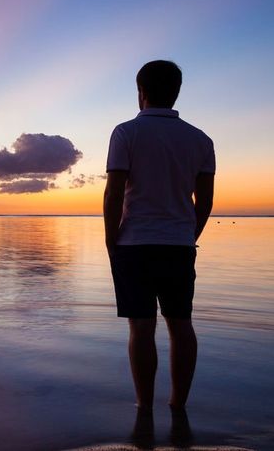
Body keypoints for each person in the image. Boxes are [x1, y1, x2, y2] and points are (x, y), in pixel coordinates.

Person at [103, 60, 215, 412]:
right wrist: (188, 232)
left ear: (142, 93)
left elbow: (114, 192)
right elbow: (206, 201)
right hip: (179, 245)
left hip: (134, 244)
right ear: (176, 92)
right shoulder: (201, 140)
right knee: (181, 324)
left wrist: (110, 239)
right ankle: (178, 406)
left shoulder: (125, 133)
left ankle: (144, 407)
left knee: (141, 328)